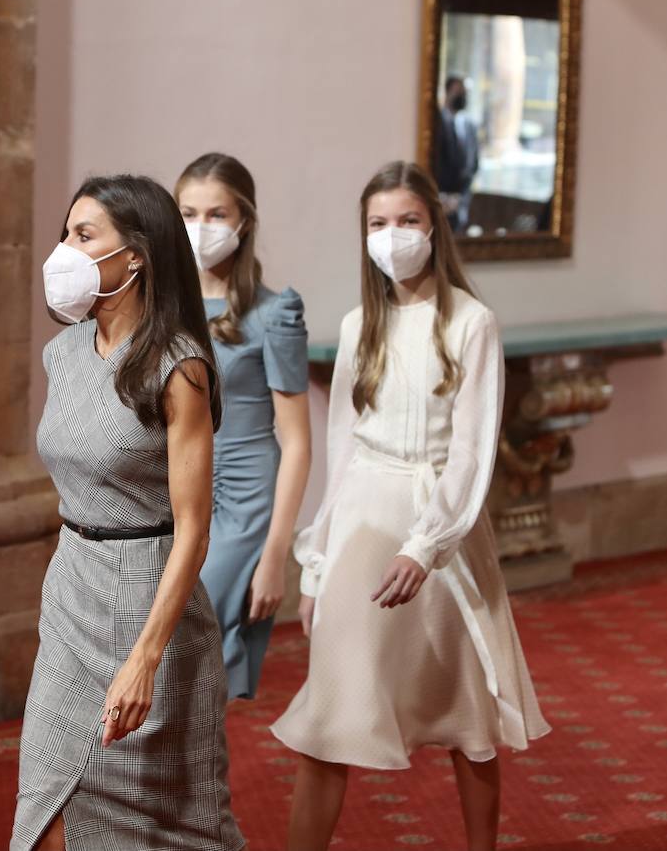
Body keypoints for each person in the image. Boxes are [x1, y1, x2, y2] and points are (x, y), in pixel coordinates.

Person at [270, 161, 550, 851]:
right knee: (332, 716)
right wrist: (318, 568)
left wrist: (425, 545)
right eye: (377, 224)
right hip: (362, 526)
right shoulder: (358, 323)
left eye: (407, 222)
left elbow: (472, 452)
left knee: (468, 715)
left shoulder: (471, 323)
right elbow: (342, 455)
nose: (392, 237)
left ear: (435, 227)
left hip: (440, 535)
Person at [13, 175, 244, 851]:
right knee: (45, 814)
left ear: (136, 254)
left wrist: (145, 658)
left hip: (150, 601)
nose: (65, 250)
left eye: (84, 236)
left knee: (158, 825)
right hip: (71, 593)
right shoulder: (62, 354)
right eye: (66, 234)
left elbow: (195, 528)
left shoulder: (180, 367)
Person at [175, 153, 312, 702]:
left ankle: (200, 781)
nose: (200, 228)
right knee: (164, 660)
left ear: (244, 221)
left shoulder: (274, 313)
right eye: (187, 212)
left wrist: (276, 556)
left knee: (194, 642)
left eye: (216, 214)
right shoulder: (165, 307)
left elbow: (297, 441)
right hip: (174, 487)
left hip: (241, 496)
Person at [434, 75, 479, 232]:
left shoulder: (470, 126)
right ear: (448, 92)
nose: (463, 96)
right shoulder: (435, 122)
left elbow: (473, 164)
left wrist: (462, 198)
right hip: (441, 199)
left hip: (462, 202)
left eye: (465, 93)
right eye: (459, 91)